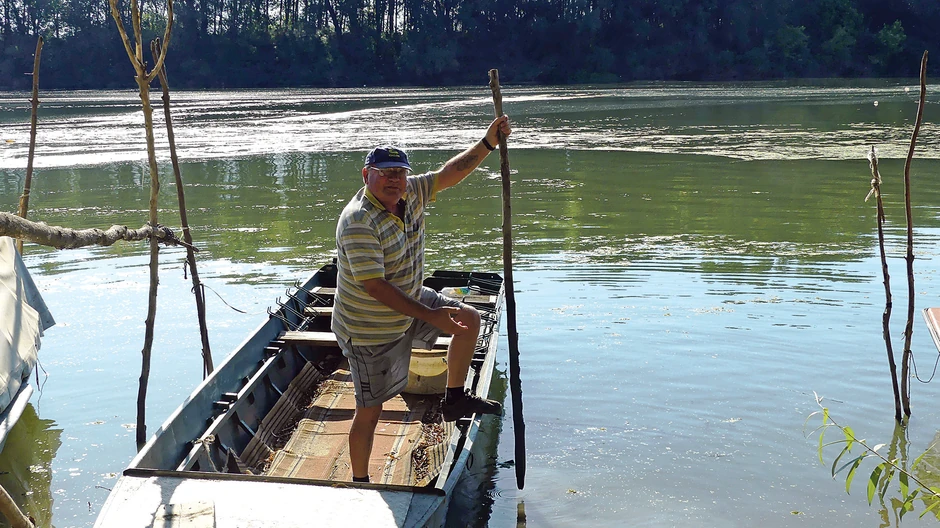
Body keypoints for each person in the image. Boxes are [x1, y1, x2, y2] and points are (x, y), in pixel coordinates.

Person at [332, 115, 512, 484]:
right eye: (385, 173)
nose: (394, 179)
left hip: (409, 300)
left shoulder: (410, 192)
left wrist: (487, 142)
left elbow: (449, 173)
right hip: (368, 329)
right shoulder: (358, 221)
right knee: (370, 410)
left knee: (470, 321)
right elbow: (376, 288)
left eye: (399, 172)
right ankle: (361, 483)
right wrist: (431, 317)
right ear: (366, 175)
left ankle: (455, 398)